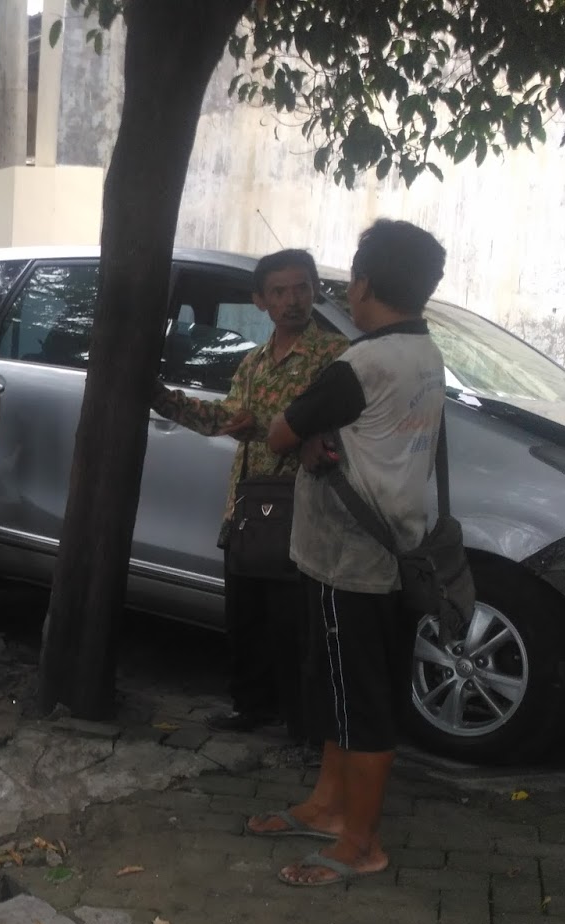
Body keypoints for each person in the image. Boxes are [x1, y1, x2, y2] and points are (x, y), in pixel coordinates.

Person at [245, 219, 449, 887]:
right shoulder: (423, 351)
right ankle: (329, 808)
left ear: (361, 285)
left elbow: (278, 434)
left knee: (361, 701)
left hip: (351, 560)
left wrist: (307, 435)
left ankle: (360, 843)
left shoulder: (357, 364)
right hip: (393, 549)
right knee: (341, 688)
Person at [153, 250, 349, 747]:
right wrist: (161, 398)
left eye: (301, 288)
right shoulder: (254, 362)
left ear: (313, 290)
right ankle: (252, 707)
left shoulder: (334, 356)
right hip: (248, 510)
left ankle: (303, 724)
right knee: (247, 617)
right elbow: (226, 420)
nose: (292, 300)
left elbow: (341, 430)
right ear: (260, 301)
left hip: (305, 511)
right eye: (279, 292)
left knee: (295, 624)